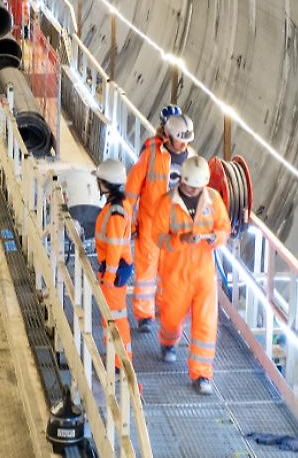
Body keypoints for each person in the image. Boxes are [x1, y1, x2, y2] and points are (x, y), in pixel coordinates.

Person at [153, 154, 229, 395]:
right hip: (176, 274)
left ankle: (202, 374)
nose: (192, 190)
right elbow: (158, 236)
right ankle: (168, 341)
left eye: (197, 187)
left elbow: (224, 227)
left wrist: (215, 238)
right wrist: (180, 239)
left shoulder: (213, 200)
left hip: (204, 274)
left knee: (206, 324)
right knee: (172, 318)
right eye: (188, 185)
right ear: (181, 181)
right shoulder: (167, 203)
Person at [125, 114, 195, 331]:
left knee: (172, 271)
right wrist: (131, 223)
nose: (184, 144)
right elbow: (131, 190)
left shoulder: (192, 159)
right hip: (150, 224)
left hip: (176, 226)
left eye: (186, 140)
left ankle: (165, 309)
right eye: (180, 139)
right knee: (146, 270)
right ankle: (144, 315)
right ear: (168, 137)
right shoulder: (152, 155)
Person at [92, 158, 135, 363]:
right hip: (115, 270)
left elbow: (115, 246)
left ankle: (120, 362)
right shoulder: (120, 205)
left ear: (104, 184)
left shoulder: (115, 211)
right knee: (111, 317)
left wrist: (108, 276)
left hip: (113, 272)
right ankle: (114, 357)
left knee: (115, 318)